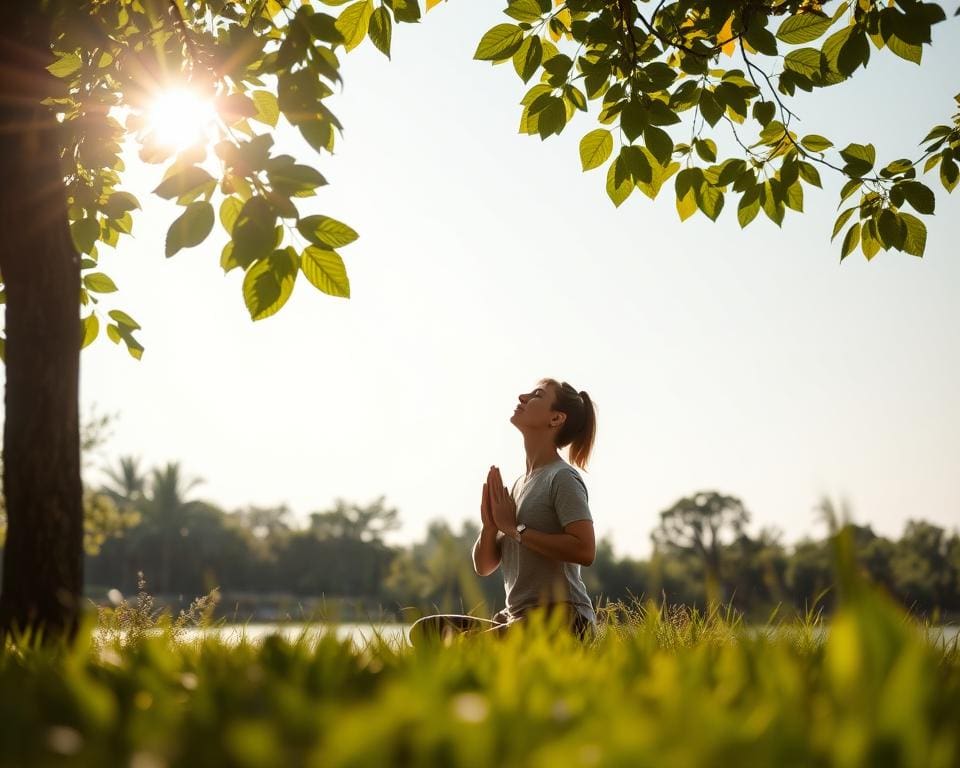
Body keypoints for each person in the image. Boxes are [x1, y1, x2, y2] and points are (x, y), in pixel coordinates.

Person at [408, 378, 597, 645]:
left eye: (536, 395)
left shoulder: (562, 477)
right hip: (516, 617)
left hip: (564, 619)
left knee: (463, 649)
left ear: (555, 419)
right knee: (426, 631)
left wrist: (515, 529)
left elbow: (585, 550)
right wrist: (490, 527)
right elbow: (484, 566)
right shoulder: (520, 484)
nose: (522, 397)